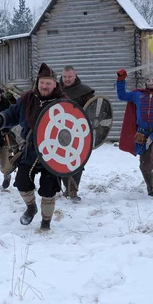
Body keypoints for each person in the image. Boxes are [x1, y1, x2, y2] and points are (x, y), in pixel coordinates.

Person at [0, 62, 67, 232]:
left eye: (48, 83)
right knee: (22, 182)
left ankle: (46, 222)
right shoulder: (27, 98)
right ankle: (31, 207)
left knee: (49, 188)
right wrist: (1, 119)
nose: (45, 86)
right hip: (30, 150)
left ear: (55, 84)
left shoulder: (63, 102)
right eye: (42, 82)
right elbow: (12, 112)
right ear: (37, 82)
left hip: (54, 152)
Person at [58, 65, 95, 202]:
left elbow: (93, 110)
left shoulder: (85, 92)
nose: (67, 79)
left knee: (76, 162)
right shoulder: (56, 90)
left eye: (70, 77)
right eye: (65, 77)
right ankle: (66, 188)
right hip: (58, 132)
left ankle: (73, 191)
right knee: (60, 160)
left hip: (79, 133)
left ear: (75, 75)